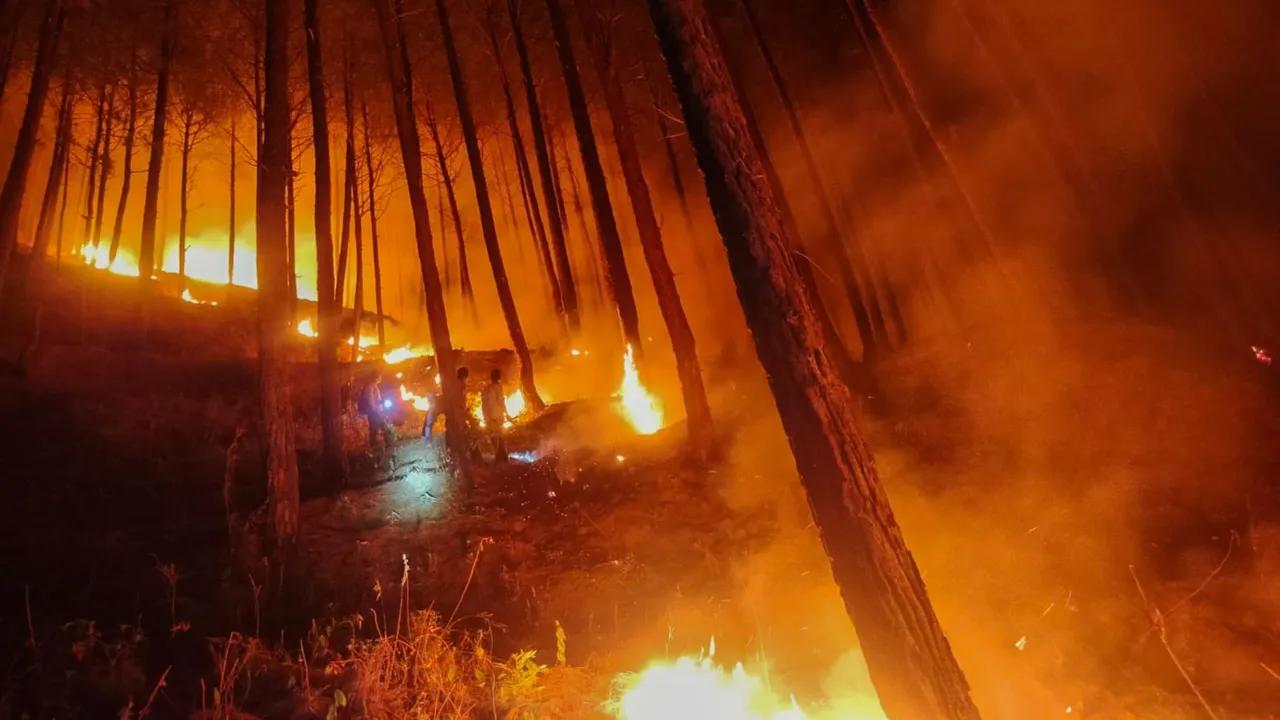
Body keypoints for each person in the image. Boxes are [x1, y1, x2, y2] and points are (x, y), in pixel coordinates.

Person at [424, 366, 470, 440]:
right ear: (465, 377)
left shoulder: (455, 385)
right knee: (429, 425)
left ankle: (427, 440)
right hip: (446, 410)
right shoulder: (459, 387)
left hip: (442, 408)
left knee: (429, 425)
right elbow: (457, 404)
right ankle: (427, 441)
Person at [359, 371, 392, 450]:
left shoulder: (374, 386)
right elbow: (370, 400)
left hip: (375, 411)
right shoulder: (370, 387)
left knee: (374, 428)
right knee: (381, 426)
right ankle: (388, 443)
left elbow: (375, 399)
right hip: (374, 412)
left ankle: (376, 445)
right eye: (380, 377)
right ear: (377, 377)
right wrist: (375, 409)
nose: (381, 378)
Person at [481, 368, 508, 461]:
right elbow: (501, 401)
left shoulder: (486, 389)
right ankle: (501, 456)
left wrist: (486, 416)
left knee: (493, 435)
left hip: (489, 416)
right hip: (498, 415)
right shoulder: (498, 387)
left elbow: (483, 404)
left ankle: (499, 455)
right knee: (499, 436)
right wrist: (506, 413)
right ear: (499, 378)